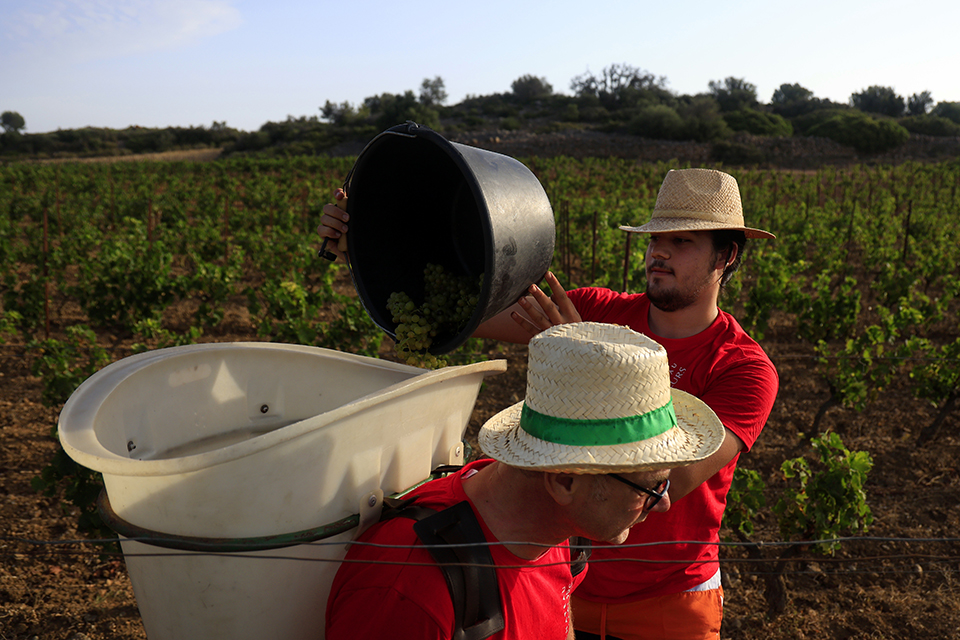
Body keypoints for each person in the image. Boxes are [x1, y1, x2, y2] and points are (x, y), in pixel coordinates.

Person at [473, 168, 780, 640]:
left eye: (683, 242)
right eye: (656, 239)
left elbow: (661, 488)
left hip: (671, 605)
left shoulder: (743, 369)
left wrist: (583, 359)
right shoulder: (599, 312)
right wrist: (371, 247)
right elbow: (470, 315)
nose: (659, 252)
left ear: (726, 256)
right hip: (563, 582)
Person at [325, 322, 726, 640]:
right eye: (651, 486)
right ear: (565, 480)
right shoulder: (409, 593)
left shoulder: (562, 537)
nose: (664, 503)